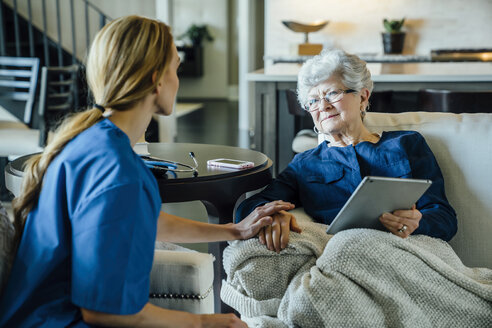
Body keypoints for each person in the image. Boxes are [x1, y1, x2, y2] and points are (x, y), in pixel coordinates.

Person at [0, 16, 294, 328]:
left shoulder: (89, 141)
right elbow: (105, 311)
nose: (177, 80)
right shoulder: (118, 170)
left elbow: (136, 220)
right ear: (156, 78)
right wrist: (207, 324)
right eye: (176, 68)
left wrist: (233, 230)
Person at [235, 48, 457, 253]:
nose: (323, 106)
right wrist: (273, 216)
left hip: (407, 251)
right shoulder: (305, 164)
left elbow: (445, 218)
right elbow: (247, 208)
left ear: (362, 97)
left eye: (332, 93)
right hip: (343, 254)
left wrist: (418, 223)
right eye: (313, 101)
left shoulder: (407, 144)